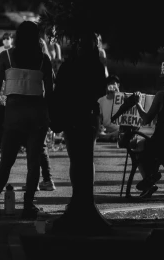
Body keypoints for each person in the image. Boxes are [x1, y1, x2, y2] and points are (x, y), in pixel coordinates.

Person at [0, 21, 54, 219]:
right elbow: (50, 91)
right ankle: (28, 204)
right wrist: (51, 116)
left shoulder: (6, 57)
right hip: (37, 116)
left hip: (13, 115)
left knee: (6, 161)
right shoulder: (43, 59)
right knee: (33, 163)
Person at [49, 31, 111, 235]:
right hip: (88, 118)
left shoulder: (69, 66)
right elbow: (101, 91)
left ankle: (78, 200)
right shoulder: (97, 66)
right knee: (87, 159)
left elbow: (59, 91)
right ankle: (85, 201)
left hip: (71, 117)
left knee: (76, 159)